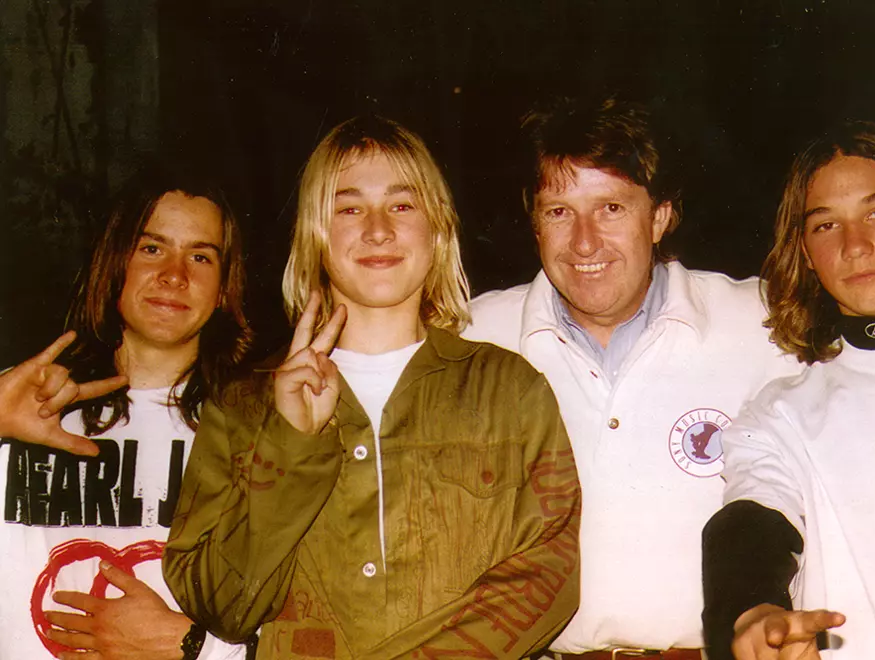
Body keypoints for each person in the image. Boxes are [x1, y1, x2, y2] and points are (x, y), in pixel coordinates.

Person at [163, 115, 581, 660]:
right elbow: (222, 607)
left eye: (402, 206)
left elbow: (547, 576)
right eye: (349, 208)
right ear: (316, 233)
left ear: (438, 228)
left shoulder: (510, 391)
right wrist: (291, 447)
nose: (378, 230)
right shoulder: (241, 404)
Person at [464, 98, 798, 658]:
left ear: (660, 217)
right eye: (559, 211)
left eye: (611, 208)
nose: (585, 242)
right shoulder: (475, 337)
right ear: (534, 222)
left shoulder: (766, 324)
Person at [702, 120, 875, 660]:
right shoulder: (781, 413)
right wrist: (753, 612)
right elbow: (752, 522)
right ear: (806, 251)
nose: (855, 246)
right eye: (826, 225)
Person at [0, 165, 253, 660]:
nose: (174, 275)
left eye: (200, 256)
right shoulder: (21, 403)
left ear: (224, 286)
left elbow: (306, 621)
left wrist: (194, 647)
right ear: (114, 262)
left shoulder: (258, 429)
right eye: (152, 248)